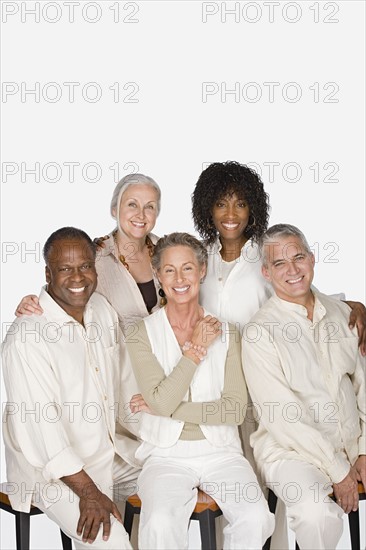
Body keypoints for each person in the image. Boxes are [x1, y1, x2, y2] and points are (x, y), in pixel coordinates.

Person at [125, 232, 275, 550]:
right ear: (158, 275)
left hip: (221, 451)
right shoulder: (141, 333)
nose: (179, 279)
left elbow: (233, 410)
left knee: (257, 517)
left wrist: (160, 405)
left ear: (202, 270)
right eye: (169, 270)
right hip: (165, 455)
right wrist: (195, 350)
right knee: (160, 523)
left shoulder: (228, 332)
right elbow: (162, 401)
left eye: (188, 268)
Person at [2, 227, 140, 549]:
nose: (77, 277)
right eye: (65, 268)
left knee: (166, 504)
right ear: (48, 273)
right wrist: (90, 493)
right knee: (112, 541)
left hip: (110, 453)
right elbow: (44, 437)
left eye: (85, 266)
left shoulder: (102, 311)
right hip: (52, 473)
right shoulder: (27, 339)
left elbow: (122, 386)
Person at [242, 224, 366, 550]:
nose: (293, 270)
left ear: (312, 259)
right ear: (266, 272)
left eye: (299, 257)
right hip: (291, 453)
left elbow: (363, 390)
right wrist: (339, 470)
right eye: (280, 263)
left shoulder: (344, 315)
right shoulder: (260, 333)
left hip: (351, 443)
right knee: (316, 514)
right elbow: (285, 418)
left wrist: (364, 451)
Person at [14, 173, 162, 333]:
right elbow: (63, 288)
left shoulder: (169, 251)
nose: (141, 214)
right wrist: (34, 303)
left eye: (149, 206)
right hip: (118, 357)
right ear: (114, 210)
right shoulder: (94, 256)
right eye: (132, 204)